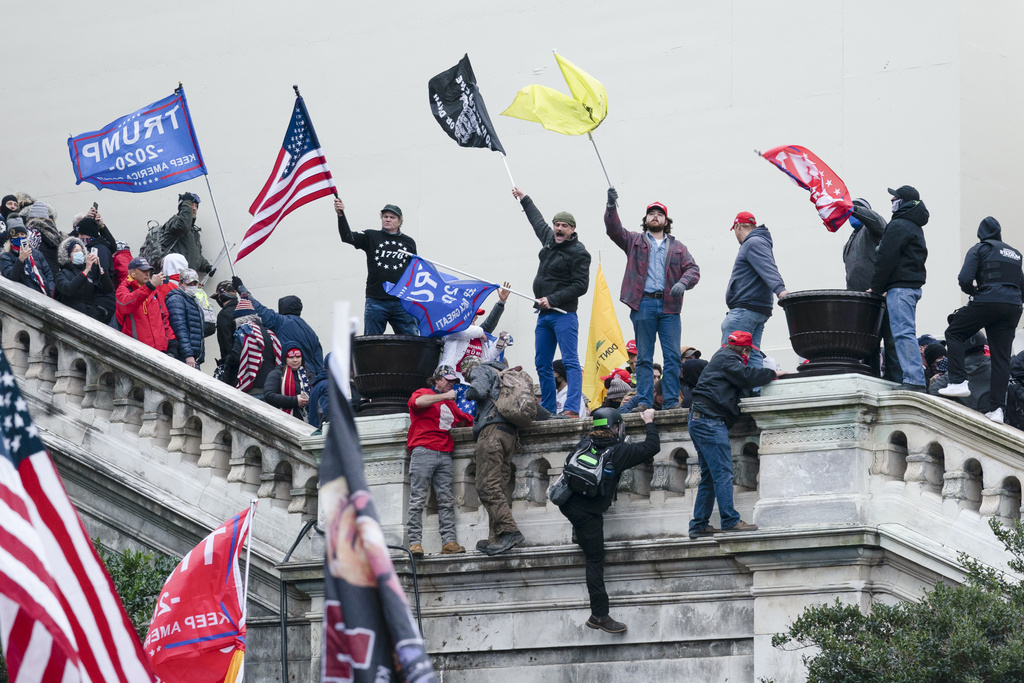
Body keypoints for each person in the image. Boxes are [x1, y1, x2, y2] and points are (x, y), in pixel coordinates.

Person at [557, 407, 660, 634]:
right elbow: (652, 447)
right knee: (594, 561)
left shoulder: (585, 443)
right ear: (616, 427)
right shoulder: (619, 451)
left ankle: (580, 534)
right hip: (588, 513)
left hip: (567, 504)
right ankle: (599, 616)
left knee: (585, 530)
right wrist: (649, 422)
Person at [604, 190, 700, 412]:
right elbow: (613, 230)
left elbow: (693, 269)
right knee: (644, 358)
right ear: (646, 220)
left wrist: (683, 283)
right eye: (651, 214)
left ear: (666, 221)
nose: (655, 216)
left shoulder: (678, 247)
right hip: (643, 304)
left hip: (670, 307)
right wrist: (611, 206)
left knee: (673, 357)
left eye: (659, 214)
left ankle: (669, 403)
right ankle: (645, 401)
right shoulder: (634, 241)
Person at [688, 331, 779, 538]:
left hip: (701, 420)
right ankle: (730, 520)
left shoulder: (722, 359)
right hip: (710, 422)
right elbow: (746, 377)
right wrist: (771, 373)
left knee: (710, 477)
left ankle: (699, 524)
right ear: (745, 350)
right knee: (723, 473)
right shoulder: (728, 358)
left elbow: (741, 386)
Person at [512, 186, 591, 418]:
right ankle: (547, 407)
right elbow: (536, 220)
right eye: (557, 224)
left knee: (569, 362)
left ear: (572, 230)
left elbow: (580, 286)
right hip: (544, 315)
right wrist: (524, 199)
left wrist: (552, 299)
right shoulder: (548, 239)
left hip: (564, 314)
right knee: (542, 363)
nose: (558, 228)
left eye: (564, 226)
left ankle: (571, 408)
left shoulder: (579, 253)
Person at [937, 217, 1024, 423]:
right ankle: (997, 410)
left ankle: (958, 381)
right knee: (1001, 357)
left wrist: (974, 291)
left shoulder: (979, 248)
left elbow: (964, 279)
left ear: (981, 234)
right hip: (1013, 307)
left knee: (954, 332)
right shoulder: (1015, 254)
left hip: (987, 300)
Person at [406, 365, 473, 557]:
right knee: (418, 498)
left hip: (444, 453)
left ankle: (449, 542)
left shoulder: (451, 404)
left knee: (446, 500)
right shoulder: (424, 392)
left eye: (453, 381)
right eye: (447, 380)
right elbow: (417, 402)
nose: (451, 384)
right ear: (436, 379)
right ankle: (415, 543)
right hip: (423, 450)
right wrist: (445, 396)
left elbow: (467, 420)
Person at [868, 185, 929, 391]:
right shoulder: (914, 225)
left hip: (901, 289)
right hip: (910, 287)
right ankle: (913, 378)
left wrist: (876, 287)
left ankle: (913, 380)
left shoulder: (899, 225)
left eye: (895, 198)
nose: (891, 201)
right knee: (905, 332)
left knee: (903, 333)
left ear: (903, 202)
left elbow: (886, 258)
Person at [465, 359, 528, 555]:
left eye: (466, 374)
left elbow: (478, 391)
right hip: (509, 435)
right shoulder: (509, 378)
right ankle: (496, 536)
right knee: (498, 486)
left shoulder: (481, 369)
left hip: (491, 433)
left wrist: (466, 392)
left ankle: (510, 531)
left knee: (486, 486)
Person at [333, 197, 418, 335]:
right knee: (371, 343)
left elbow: (414, 271)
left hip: (402, 301)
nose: (388, 219)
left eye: (392, 217)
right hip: (376, 301)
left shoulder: (409, 242)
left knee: (412, 342)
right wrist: (341, 215)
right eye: (385, 216)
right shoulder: (371, 236)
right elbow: (347, 237)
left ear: (400, 221)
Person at [722, 212, 789, 371]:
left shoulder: (753, 243)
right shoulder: (759, 242)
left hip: (745, 309)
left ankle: (732, 396)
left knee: (730, 356)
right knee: (752, 354)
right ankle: (753, 393)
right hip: (756, 309)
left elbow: (768, 268)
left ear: (738, 226)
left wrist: (780, 290)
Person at [231, 276, 325, 376]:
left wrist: (240, 287)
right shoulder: (310, 331)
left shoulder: (281, 321)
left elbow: (258, 307)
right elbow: (319, 364)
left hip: (291, 377)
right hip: (310, 378)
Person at [223, 298, 281, 398]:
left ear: (240, 319)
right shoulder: (269, 333)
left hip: (251, 385)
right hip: (269, 386)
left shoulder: (244, 331)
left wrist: (227, 360)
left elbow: (236, 357)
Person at [115, 257, 170, 353]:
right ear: (132, 273)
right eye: (143, 270)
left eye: (148, 270)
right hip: (136, 350)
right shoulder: (124, 288)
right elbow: (126, 304)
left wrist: (171, 342)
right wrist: (149, 286)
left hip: (160, 350)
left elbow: (164, 317)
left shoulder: (153, 290)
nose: (147, 273)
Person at [54, 236, 114, 323]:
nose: (80, 253)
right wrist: (85, 271)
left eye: (81, 250)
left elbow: (108, 289)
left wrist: (99, 268)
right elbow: (68, 289)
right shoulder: (63, 273)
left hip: (90, 318)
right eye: (76, 251)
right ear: (68, 256)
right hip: (70, 317)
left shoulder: (89, 274)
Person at [931, 333, 991, 412]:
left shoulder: (956, 370)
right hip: (998, 420)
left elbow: (934, 390)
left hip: (966, 418)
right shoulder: (997, 366)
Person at [1, 217, 54, 297]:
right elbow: (11, 277)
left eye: (22, 234)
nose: (20, 237)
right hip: (24, 296)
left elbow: (48, 276)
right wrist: (20, 260)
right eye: (16, 235)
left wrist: (51, 293)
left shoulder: (37, 254)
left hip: (43, 295)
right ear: (10, 238)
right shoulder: (5, 256)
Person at [165, 269, 206, 370]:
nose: (193, 286)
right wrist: (188, 354)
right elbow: (180, 328)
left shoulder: (192, 301)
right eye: (189, 283)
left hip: (192, 357)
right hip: (184, 357)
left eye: (195, 283)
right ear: (180, 283)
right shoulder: (176, 300)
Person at [162, 192, 212, 274]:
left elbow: (194, 255)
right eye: (191, 205)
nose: (194, 208)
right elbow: (183, 226)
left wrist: (205, 266)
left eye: (196, 206)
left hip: (188, 279)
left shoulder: (194, 232)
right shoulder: (174, 222)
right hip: (174, 277)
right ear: (183, 207)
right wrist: (186, 203)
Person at [843, 198, 887, 291]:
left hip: (875, 293)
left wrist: (855, 209)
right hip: (857, 297)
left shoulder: (873, 230)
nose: (851, 215)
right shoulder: (848, 245)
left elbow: (875, 220)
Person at [264, 344, 312, 420]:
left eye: (298, 357)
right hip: (282, 418)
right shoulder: (276, 374)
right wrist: (295, 400)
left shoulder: (307, 374)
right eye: (291, 357)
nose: (295, 360)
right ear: (285, 359)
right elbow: (269, 395)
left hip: (306, 418)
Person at [213, 280, 239, 365]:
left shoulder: (224, 315)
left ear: (222, 295)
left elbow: (225, 344)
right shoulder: (245, 309)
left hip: (234, 363)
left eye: (218, 296)